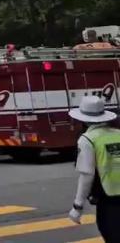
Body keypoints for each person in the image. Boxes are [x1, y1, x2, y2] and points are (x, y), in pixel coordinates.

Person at [68, 95, 120, 239]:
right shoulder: (118, 134)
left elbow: (86, 175)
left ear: (83, 119)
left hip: (110, 200)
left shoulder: (88, 140)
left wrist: (77, 207)